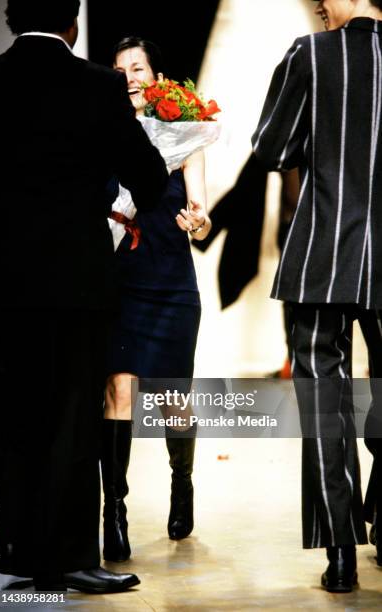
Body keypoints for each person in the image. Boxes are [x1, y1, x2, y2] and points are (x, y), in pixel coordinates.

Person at [0, 0, 168, 593]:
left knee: (16, 412)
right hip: (76, 277)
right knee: (74, 417)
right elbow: (147, 173)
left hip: (5, 279)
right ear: (71, 23)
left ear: (14, 19)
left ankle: (16, 549)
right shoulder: (98, 85)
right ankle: (70, 558)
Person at [252, 0, 382, 594]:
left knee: (325, 403)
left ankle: (341, 555)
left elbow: (273, 151)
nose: (319, 5)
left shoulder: (312, 53)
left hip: (322, 257)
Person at [101, 36, 212, 562]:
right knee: (117, 393)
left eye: (138, 66)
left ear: (156, 74)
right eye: (120, 68)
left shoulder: (183, 132)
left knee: (173, 398)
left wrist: (201, 219)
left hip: (171, 280)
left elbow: (199, 204)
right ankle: (114, 513)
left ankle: (182, 483)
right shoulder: (103, 130)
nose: (129, 76)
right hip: (120, 280)